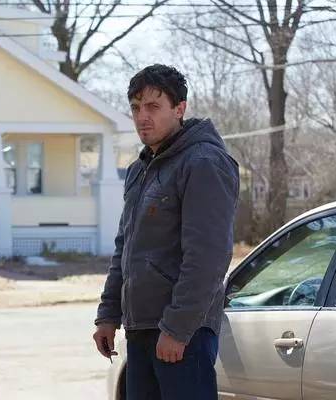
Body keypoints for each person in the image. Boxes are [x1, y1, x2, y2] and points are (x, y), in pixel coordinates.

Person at [93, 64, 239, 399]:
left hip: (184, 335)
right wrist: (108, 314)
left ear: (179, 109)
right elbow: (125, 248)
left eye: (153, 106)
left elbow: (208, 257)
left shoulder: (203, 162)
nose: (142, 117)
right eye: (135, 108)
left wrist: (177, 328)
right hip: (140, 329)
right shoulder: (139, 170)